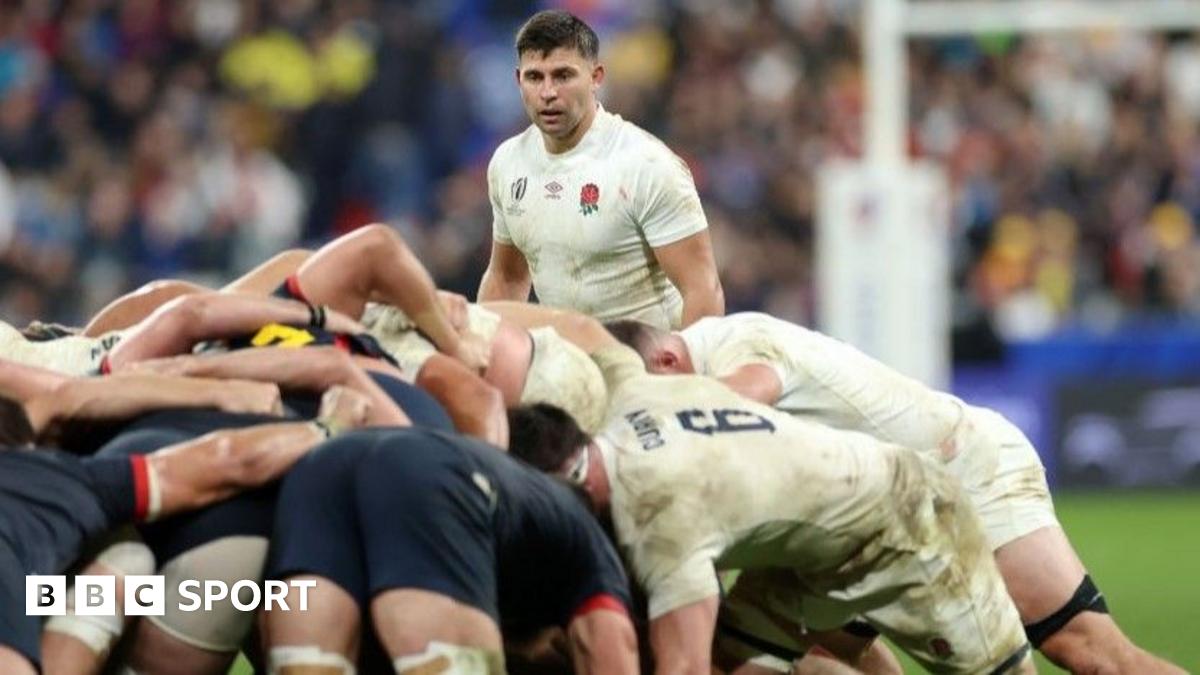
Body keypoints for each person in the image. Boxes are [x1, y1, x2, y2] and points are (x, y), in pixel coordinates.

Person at [606, 313, 1188, 675]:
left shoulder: (738, 344)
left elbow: (748, 393)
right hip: (876, 520)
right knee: (806, 656)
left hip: (967, 469)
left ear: (667, 359)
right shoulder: (696, 360)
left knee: (1087, 651)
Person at [513, 345, 1036, 675]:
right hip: (812, 550)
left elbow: (681, 665)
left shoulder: (658, 518)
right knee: (735, 664)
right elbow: (587, 334)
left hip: (911, 519)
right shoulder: (634, 397)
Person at [0, 385, 372, 675]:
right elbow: (224, 460)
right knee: (123, 560)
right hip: (229, 560)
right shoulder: (55, 478)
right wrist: (331, 426)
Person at [263, 426, 639, 675]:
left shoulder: (517, 502)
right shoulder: (593, 548)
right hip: (431, 476)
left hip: (324, 463)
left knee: (311, 666)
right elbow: (606, 646)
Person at [477, 10, 723, 330]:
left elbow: (703, 291)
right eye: (535, 77)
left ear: (596, 77)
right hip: (568, 369)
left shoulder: (647, 165)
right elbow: (507, 279)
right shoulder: (508, 162)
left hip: (645, 367)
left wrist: (684, 377)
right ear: (517, 80)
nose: (548, 92)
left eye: (563, 75)